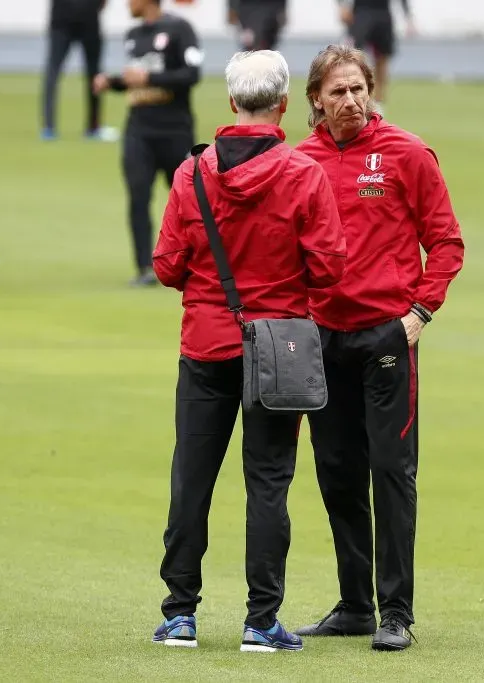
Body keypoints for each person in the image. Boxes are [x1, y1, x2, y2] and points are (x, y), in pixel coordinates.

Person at [150, 50, 347, 653]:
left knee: (192, 481)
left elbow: (166, 265)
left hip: (206, 341)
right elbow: (330, 268)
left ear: (231, 101)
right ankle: (261, 621)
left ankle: (180, 614)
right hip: (278, 346)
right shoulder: (303, 173)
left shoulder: (192, 173)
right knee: (267, 485)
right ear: (285, 104)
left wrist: (210, 286)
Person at [294, 45, 464, 652]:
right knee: (336, 473)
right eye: (337, 92)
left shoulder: (407, 154)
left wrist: (419, 313)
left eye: (358, 88)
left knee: (391, 473)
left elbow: (445, 241)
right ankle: (355, 604)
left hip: (387, 337)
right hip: (320, 338)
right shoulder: (300, 161)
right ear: (315, 99)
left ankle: (397, 611)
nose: (351, 101)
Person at [94, 0, 203, 287]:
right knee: (138, 198)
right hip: (138, 131)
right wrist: (114, 82)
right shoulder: (134, 35)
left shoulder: (180, 29)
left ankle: (196, 262)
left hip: (174, 130)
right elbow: (137, 81)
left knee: (187, 201)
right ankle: (145, 267)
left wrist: (149, 76)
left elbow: (191, 74)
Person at [41, 0, 117, 142]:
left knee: (93, 74)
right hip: (69, 20)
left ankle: (90, 127)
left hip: (79, 20)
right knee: (55, 72)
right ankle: (50, 127)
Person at [339, 0, 416, 113]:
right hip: (360, 12)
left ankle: (378, 103)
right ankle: (349, 97)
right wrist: (342, 6)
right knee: (352, 57)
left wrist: (408, 17)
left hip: (383, 12)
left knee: (382, 58)